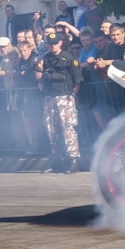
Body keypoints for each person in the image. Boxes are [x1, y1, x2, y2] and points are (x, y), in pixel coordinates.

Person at [36, 33, 83, 174]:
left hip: (64, 97)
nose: (53, 46)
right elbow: (43, 76)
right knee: (51, 130)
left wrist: (71, 95)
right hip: (49, 98)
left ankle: (73, 160)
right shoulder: (46, 59)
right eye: (50, 43)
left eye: (55, 43)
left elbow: (78, 80)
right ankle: (57, 160)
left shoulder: (69, 59)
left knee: (68, 129)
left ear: (60, 43)